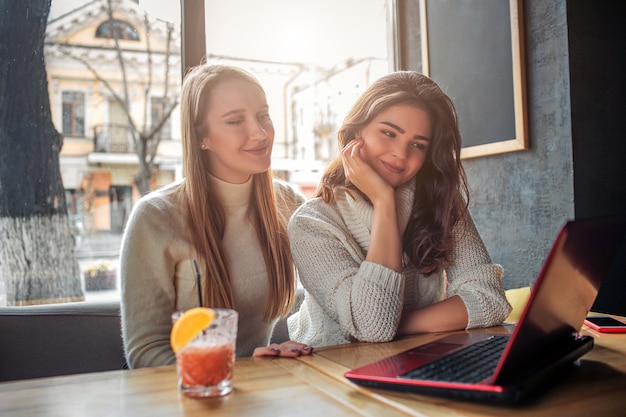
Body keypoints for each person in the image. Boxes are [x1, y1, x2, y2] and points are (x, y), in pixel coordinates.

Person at [287, 71, 511, 347]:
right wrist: (383, 201)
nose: (400, 154)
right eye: (388, 133)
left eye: (417, 144)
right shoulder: (313, 223)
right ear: (356, 131)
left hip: (417, 357)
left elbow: (490, 299)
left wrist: (394, 324)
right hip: (332, 368)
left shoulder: (439, 202)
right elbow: (372, 327)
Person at [120, 64, 311, 368]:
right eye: (235, 120)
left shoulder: (288, 203)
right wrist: (241, 369)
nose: (260, 133)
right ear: (200, 138)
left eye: (263, 115)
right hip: (192, 399)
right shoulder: (155, 218)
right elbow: (145, 354)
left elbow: (332, 300)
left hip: (263, 391)